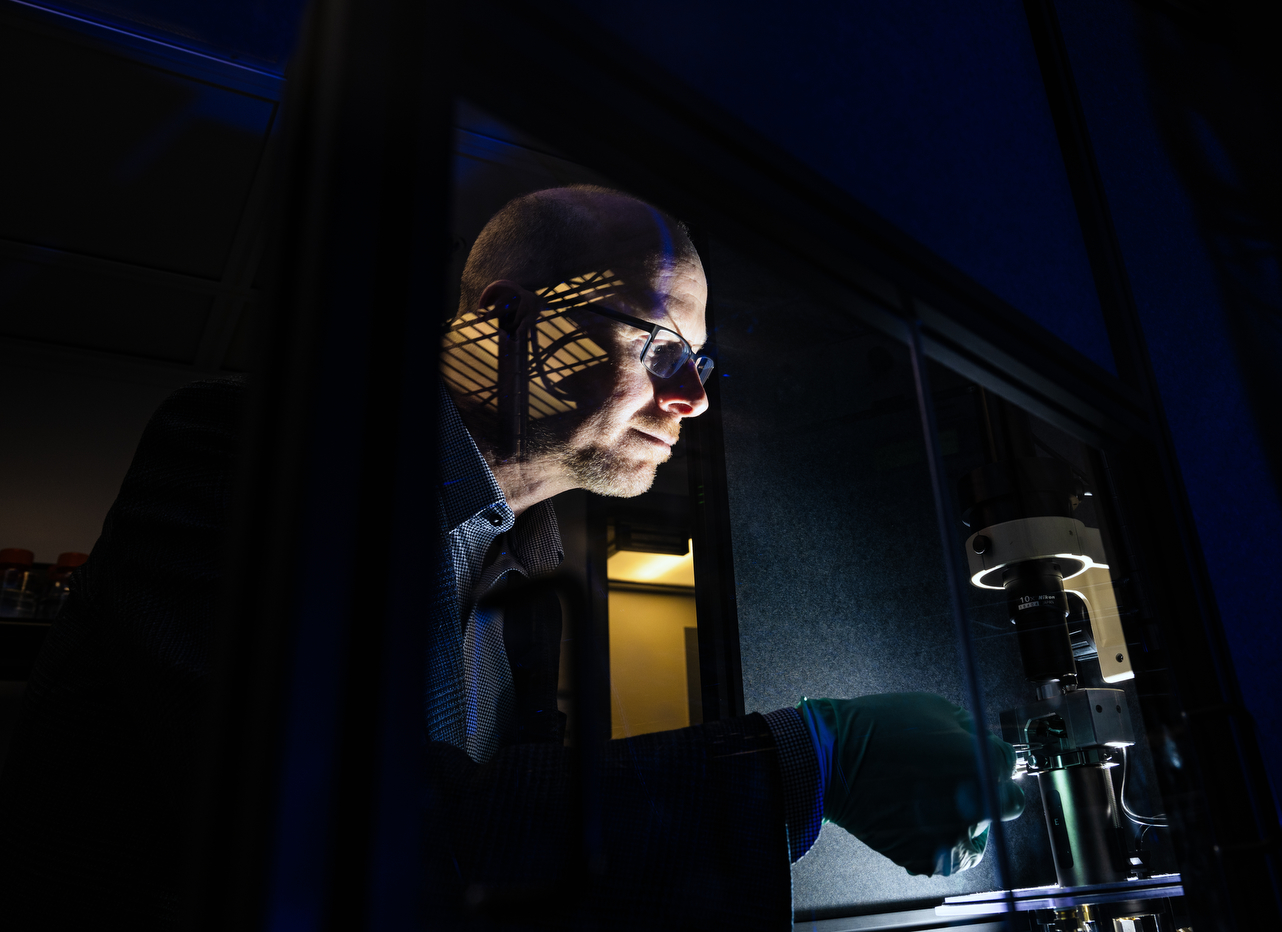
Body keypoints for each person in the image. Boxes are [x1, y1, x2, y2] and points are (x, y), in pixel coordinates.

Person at [0, 185, 1023, 930]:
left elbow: (488, 861)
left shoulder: (519, 583)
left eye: (701, 364)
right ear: (510, 322)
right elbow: (328, 840)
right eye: (664, 349)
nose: (694, 397)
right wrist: (804, 754)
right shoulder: (257, 454)